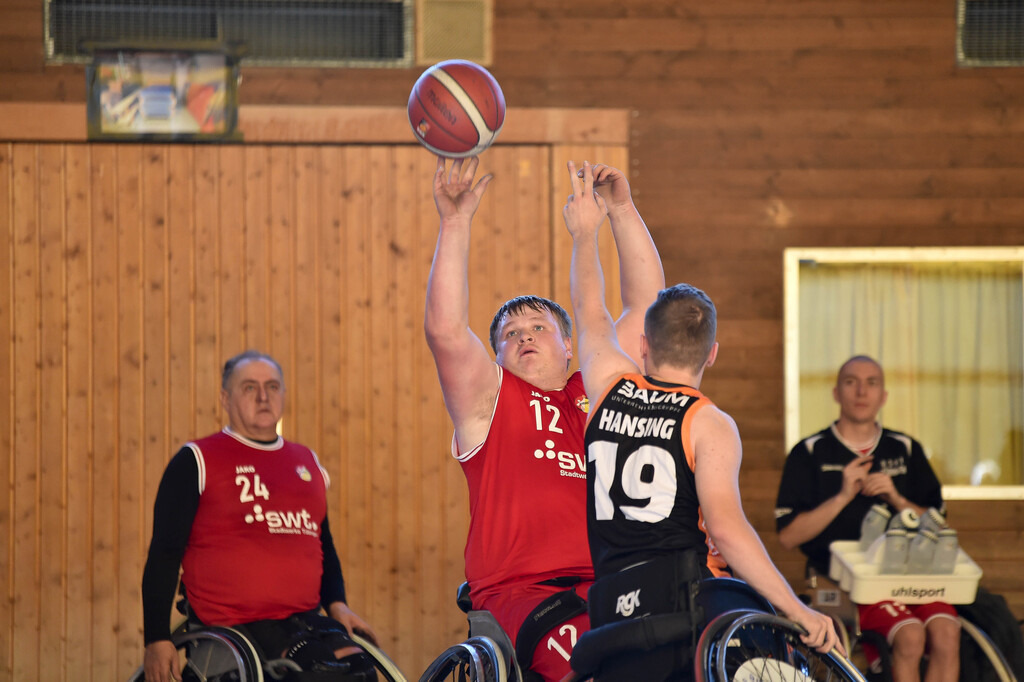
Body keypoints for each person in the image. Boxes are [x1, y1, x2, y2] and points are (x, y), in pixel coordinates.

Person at [563, 160, 841, 680]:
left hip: (613, 612)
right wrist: (796, 609)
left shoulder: (607, 386)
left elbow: (588, 308)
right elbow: (728, 532)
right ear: (711, 353)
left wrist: (586, 234)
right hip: (687, 610)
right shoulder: (707, 423)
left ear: (643, 346)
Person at [423, 155, 665, 681]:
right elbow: (445, 329)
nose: (524, 336)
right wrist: (455, 221)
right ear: (497, 357)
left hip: (605, 584)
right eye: (510, 334)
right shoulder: (489, 400)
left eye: (538, 327)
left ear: (569, 345)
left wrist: (621, 209)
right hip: (523, 596)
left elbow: (648, 307)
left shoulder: (593, 388)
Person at [141, 350, 378, 682]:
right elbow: (164, 554)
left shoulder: (306, 461)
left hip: (302, 620)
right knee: (321, 675)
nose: (264, 396)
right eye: (250, 388)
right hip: (233, 627)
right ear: (226, 398)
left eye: (273, 386)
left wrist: (338, 604)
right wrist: (156, 638)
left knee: (361, 670)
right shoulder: (196, 460)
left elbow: (322, 545)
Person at [775, 355, 960, 682]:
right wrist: (842, 496)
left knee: (947, 632)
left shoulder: (904, 449)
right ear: (836, 392)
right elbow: (788, 536)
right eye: (851, 382)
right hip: (843, 583)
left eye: (871, 383)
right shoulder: (810, 452)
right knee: (911, 635)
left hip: (911, 576)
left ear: (884, 395)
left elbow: (940, 526)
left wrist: (896, 499)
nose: (861, 391)